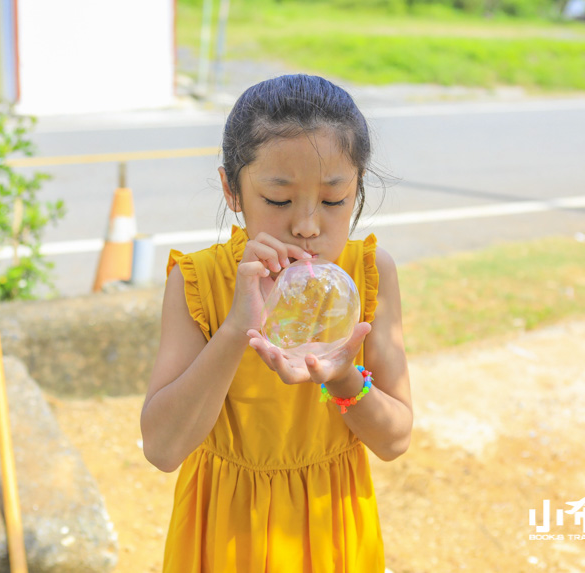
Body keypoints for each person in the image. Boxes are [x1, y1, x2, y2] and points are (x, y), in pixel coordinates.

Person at [140, 74, 412, 572]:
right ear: (232, 190)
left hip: (332, 527)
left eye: (334, 201)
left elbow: (394, 440)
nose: (307, 225)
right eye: (279, 201)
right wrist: (236, 328)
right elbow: (162, 448)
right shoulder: (198, 281)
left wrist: (343, 376)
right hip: (225, 531)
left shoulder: (371, 274)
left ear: (358, 188)